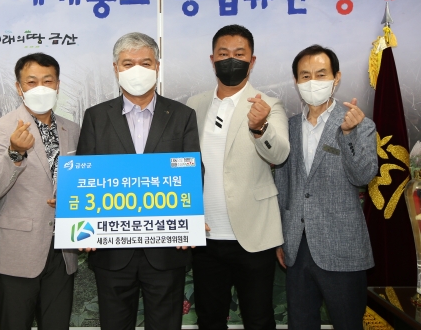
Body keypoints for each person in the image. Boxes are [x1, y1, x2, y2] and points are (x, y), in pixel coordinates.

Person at [76, 32, 200, 330]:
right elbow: (85, 175)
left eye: (145, 63)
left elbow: (193, 173)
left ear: (157, 66)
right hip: (111, 250)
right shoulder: (95, 117)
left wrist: (189, 224)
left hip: (167, 248)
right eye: (128, 63)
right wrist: (82, 227)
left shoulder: (182, 115)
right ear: (116, 68)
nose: (137, 70)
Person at [186, 24, 290, 330]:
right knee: (209, 319)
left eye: (239, 54)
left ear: (252, 61)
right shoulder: (194, 105)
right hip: (206, 236)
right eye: (223, 54)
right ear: (212, 59)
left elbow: (280, 154)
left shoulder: (268, 105)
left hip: (253, 235)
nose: (231, 60)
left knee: (258, 320)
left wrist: (260, 128)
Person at [274, 45, 377, 330]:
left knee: (348, 323)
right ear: (296, 81)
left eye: (321, 74)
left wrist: (349, 135)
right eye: (305, 76)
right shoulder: (289, 127)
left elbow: (364, 176)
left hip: (342, 248)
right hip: (297, 247)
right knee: (300, 323)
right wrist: (280, 237)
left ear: (336, 78)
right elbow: (283, 184)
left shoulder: (359, 124)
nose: (313, 82)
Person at [0, 53, 80, 330]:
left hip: (63, 250)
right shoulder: (2, 127)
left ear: (57, 85)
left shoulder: (72, 129)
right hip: (18, 248)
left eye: (47, 81)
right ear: (19, 87)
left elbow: (82, 181)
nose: (40, 88)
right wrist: (15, 152)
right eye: (32, 81)